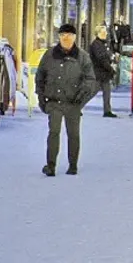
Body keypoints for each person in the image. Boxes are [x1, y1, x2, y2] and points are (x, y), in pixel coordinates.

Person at [36, 23, 96, 177]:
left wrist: (81, 97)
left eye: (69, 35)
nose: (66, 38)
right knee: (53, 133)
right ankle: (50, 165)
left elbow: (90, 80)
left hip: (73, 103)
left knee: (73, 134)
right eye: (63, 35)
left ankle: (73, 165)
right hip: (54, 102)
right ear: (59, 37)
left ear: (75, 37)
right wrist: (41, 98)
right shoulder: (50, 55)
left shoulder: (83, 57)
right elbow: (40, 76)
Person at [88, 25, 117, 118]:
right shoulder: (96, 44)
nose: (106, 34)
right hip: (98, 72)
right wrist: (110, 68)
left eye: (106, 32)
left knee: (107, 92)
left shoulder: (104, 44)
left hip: (104, 72)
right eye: (103, 32)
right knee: (92, 92)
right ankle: (76, 107)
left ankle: (107, 110)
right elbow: (101, 59)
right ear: (98, 34)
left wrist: (112, 58)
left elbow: (106, 56)